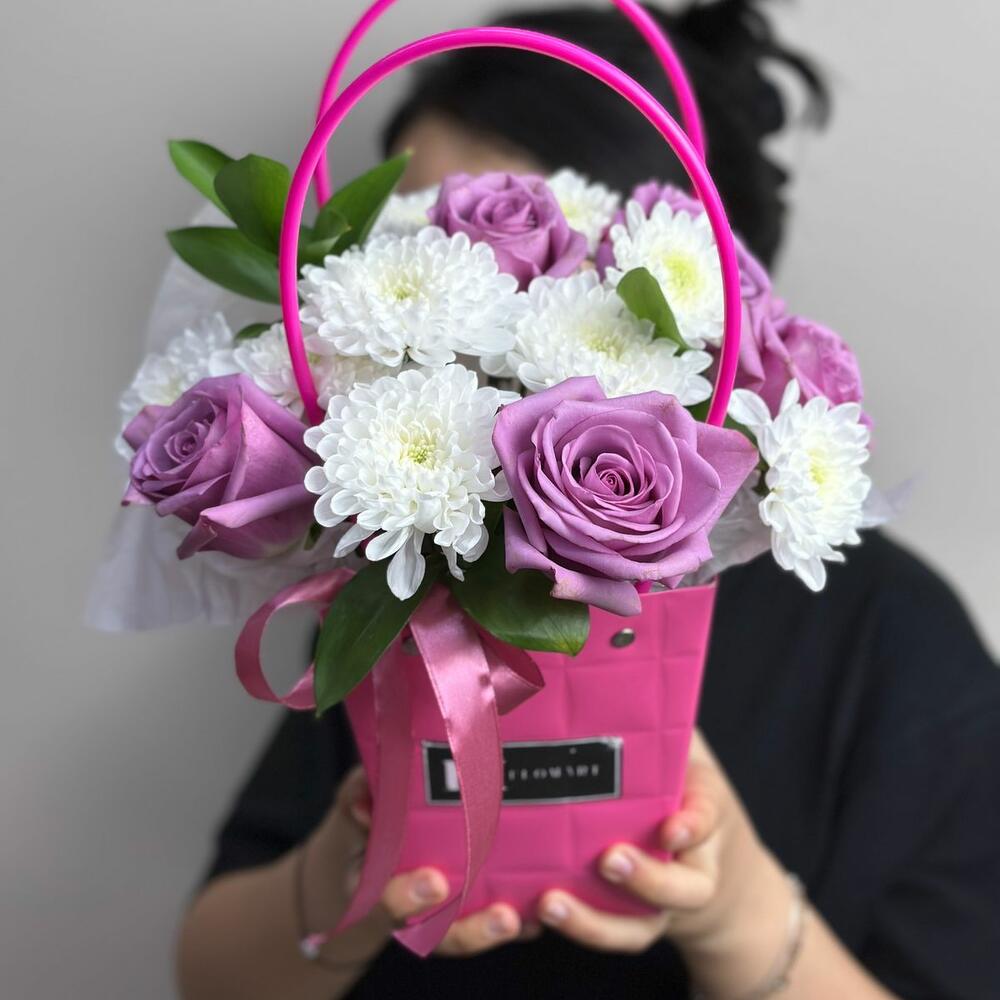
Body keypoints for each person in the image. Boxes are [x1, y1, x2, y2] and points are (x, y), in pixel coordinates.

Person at [175, 3, 1000, 998]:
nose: (433, 299)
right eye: (402, 245)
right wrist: (343, 879)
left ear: (695, 307)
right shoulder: (400, 581)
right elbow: (210, 977)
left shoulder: (889, 641)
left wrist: (737, 913)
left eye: (510, 271)